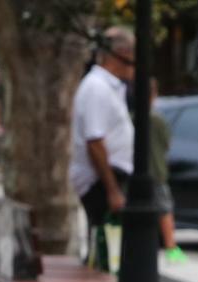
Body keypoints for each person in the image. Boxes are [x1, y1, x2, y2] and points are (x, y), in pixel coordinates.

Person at [70, 26, 135, 257]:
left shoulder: (109, 87)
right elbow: (94, 141)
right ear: (123, 54)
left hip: (109, 177)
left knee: (110, 248)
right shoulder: (97, 88)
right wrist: (113, 190)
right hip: (102, 180)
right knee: (106, 249)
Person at [150, 78, 184, 263]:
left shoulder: (130, 116)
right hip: (157, 171)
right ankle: (171, 247)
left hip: (137, 172)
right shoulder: (157, 120)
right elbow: (167, 144)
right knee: (164, 210)